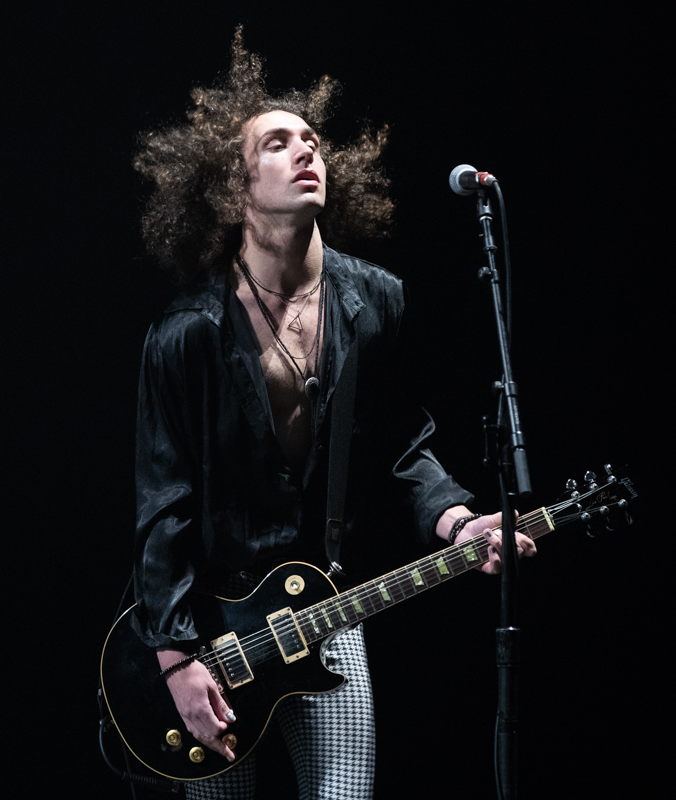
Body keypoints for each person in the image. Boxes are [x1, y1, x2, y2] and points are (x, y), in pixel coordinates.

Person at [130, 29, 535, 799]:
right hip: (211, 626)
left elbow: (401, 446)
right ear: (233, 185)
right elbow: (165, 505)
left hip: (323, 603)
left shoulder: (374, 301)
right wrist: (176, 659)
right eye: (277, 142)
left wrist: (456, 520)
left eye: (311, 138)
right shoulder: (187, 334)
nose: (305, 150)